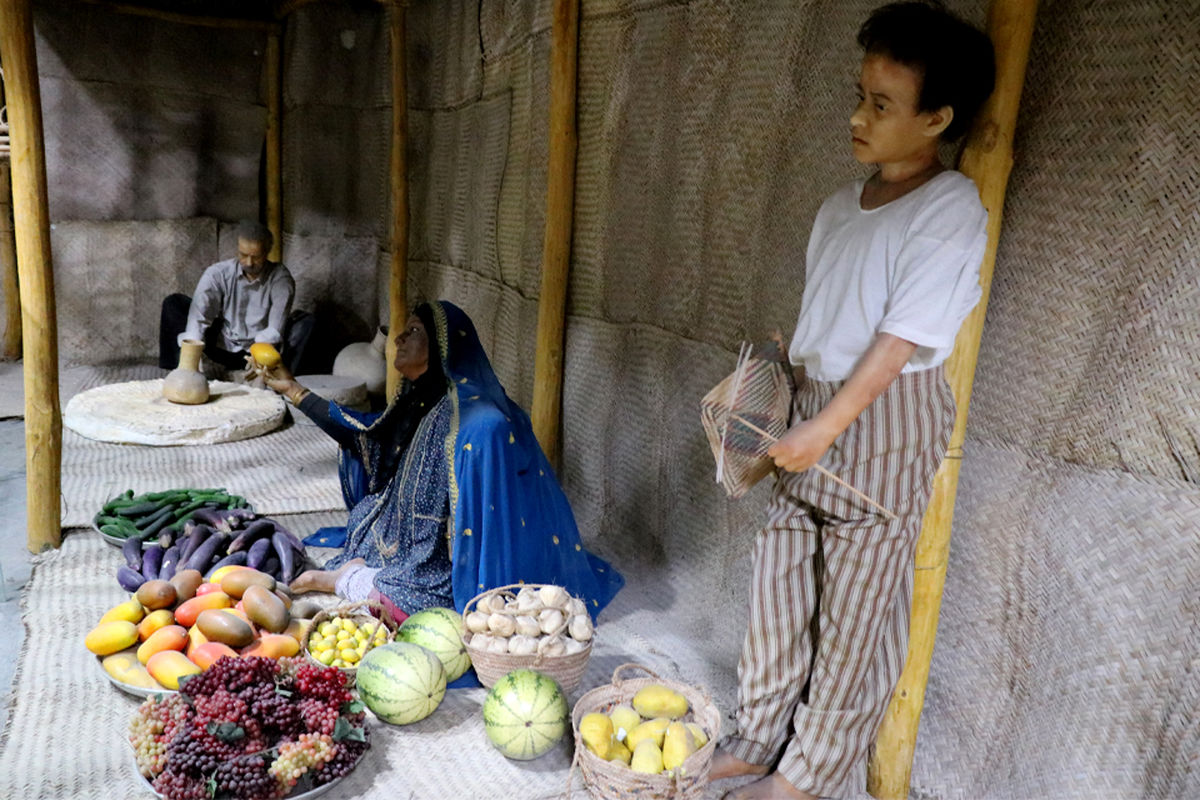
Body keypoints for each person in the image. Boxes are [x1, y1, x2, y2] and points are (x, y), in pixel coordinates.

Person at [711, 4, 995, 799]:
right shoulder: (841, 207)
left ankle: (806, 777)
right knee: (779, 585)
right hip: (814, 407)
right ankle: (757, 737)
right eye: (859, 96)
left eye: (881, 104)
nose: (857, 117)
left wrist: (828, 424)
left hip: (884, 418)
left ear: (937, 118)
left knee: (854, 622)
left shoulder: (950, 209)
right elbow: (835, 314)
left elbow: (901, 340)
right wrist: (788, 368)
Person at [262, 300, 624, 624]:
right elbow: (367, 436)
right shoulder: (419, 398)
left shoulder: (480, 420)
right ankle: (357, 573)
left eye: (414, 332)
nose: (399, 339)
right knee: (367, 519)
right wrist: (293, 389)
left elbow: (481, 522)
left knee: (419, 601)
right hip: (397, 530)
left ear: (441, 348)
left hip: (442, 548)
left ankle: (346, 580)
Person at [159, 220, 313, 374]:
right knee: (174, 303)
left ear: (267, 252)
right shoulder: (218, 273)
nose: (249, 262)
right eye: (243, 255)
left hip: (258, 352)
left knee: (306, 321)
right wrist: (193, 354)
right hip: (221, 345)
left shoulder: (280, 278)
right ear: (237, 249)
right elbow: (199, 315)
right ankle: (178, 371)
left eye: (256, 257)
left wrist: (260, 359)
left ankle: (282, 379)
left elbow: (275, 328)